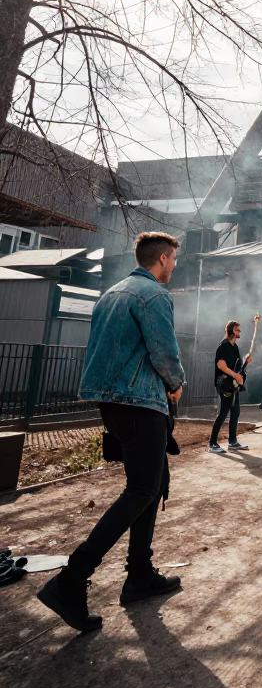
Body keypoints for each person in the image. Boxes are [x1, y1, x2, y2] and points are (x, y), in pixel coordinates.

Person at [37, 232, 186, 633]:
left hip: (114, 403)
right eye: (173, 261)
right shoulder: (153, 295)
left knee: (152, 484)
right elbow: (163, 352)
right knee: (141, 489)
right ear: (163, 257)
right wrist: (176, 383)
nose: (174, 267)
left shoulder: (112, 294)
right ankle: (70, 580)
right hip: (141, 401)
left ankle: (139, 573)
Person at [209, 320, 250, 453]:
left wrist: (246, 361)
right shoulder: (223, 346)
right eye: (238, 330)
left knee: (235, 411)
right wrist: (235, 375)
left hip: (233, 385)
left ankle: (232, 442)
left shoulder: (234, 347)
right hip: (224, 384)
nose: (239, 332)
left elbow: (237, 367)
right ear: (232, 330)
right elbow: (221, 365)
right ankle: (212, 443)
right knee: (224, 412)